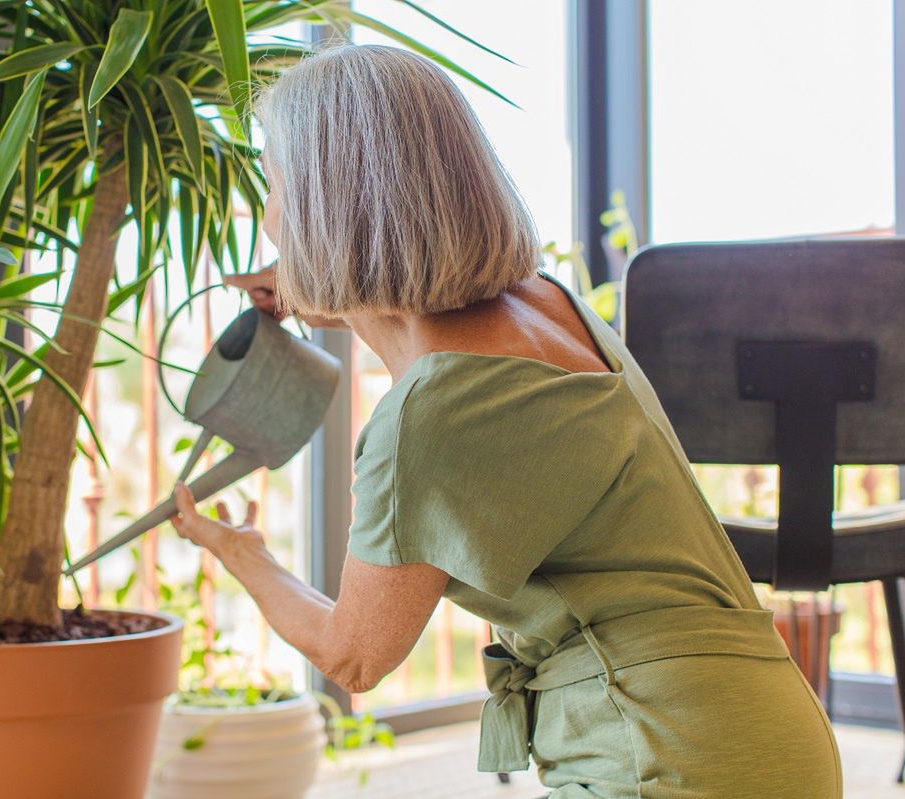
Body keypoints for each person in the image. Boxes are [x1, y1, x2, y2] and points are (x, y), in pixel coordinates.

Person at [169, 45, 841, 798]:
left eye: (274, 184)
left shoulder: (428, 416)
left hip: (660, 756)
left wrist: (242, 553)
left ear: (327, 203)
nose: (268, 215)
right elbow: (419, 330)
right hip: (771, 729)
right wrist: (307, 286)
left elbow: (352, 654)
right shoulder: (552, 303)